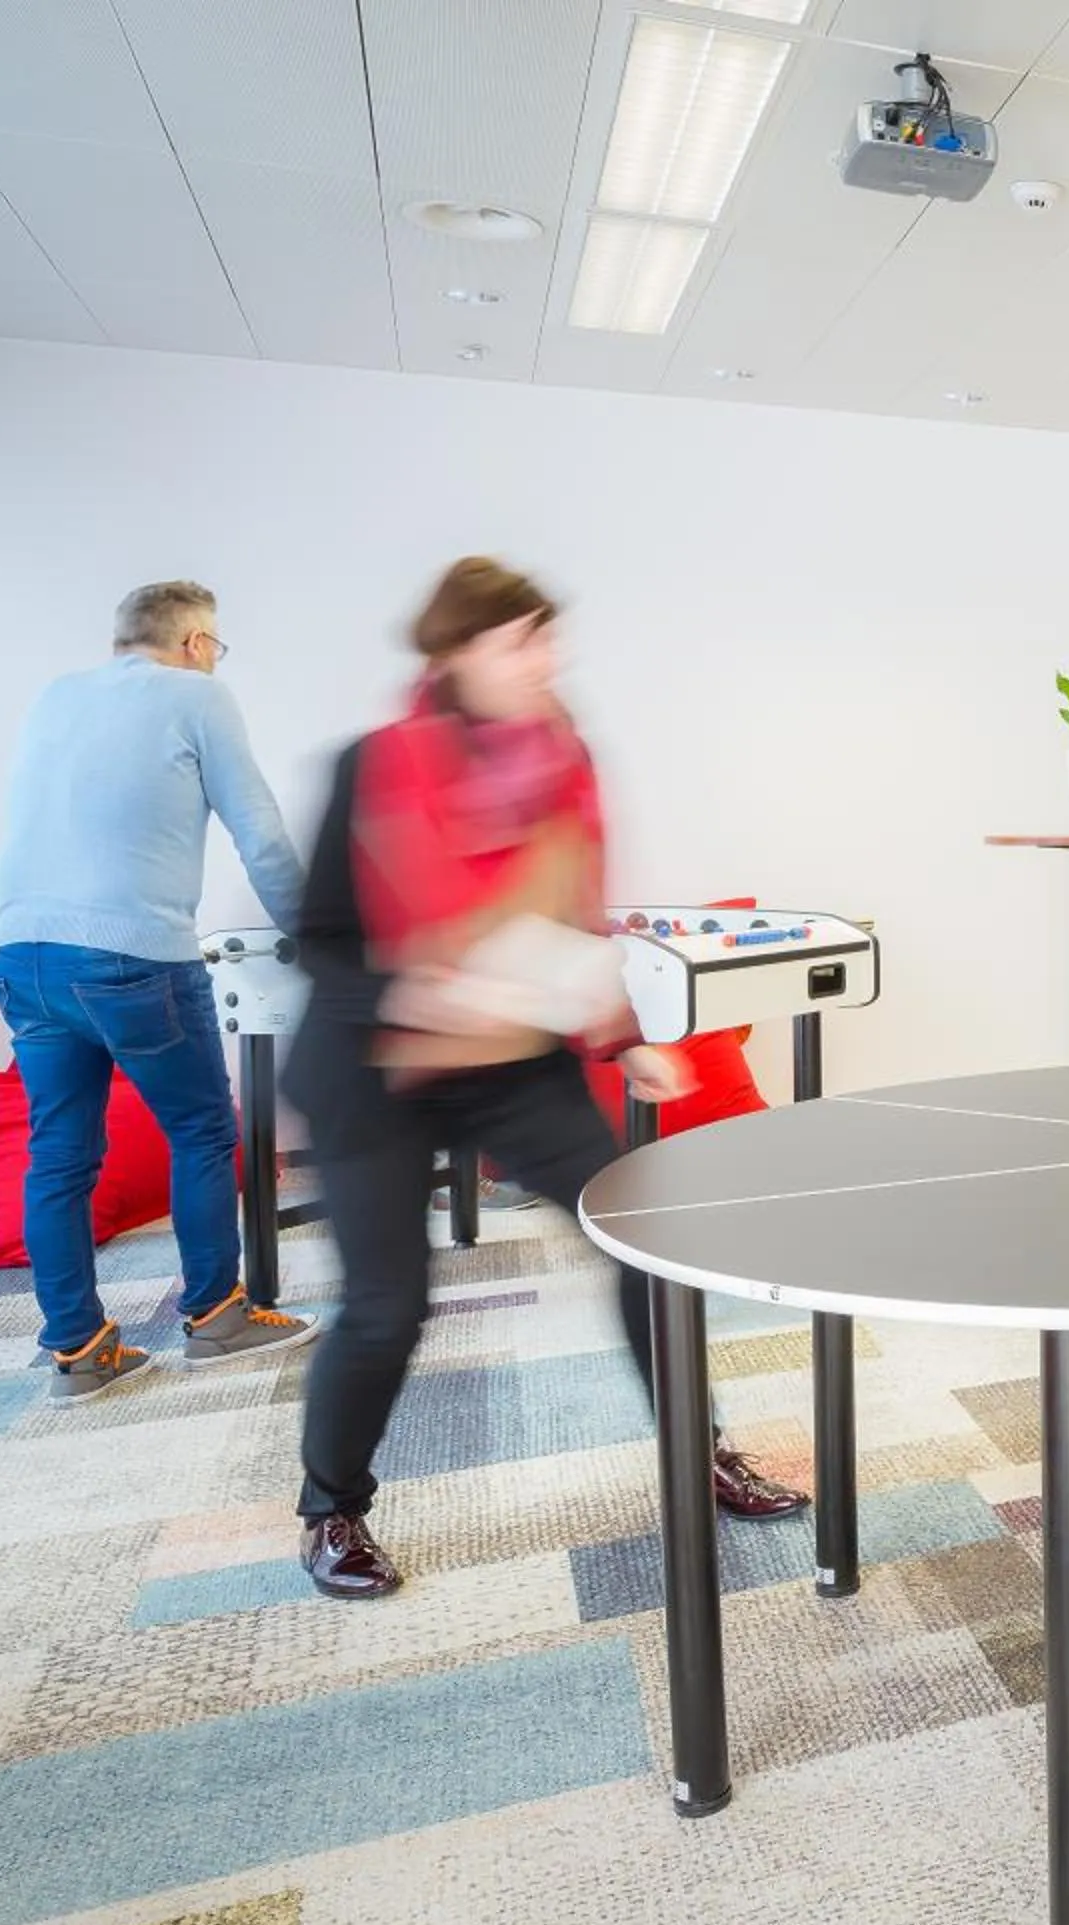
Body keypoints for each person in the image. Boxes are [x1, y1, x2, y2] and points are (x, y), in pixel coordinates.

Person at [285, 558, 805, 1599]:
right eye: (523, 638)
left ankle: (698, 1450)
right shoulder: (373, 766)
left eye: (547, 638)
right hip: (373, 1066)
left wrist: (622, 1037)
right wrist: (415, 996)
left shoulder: (561, 760)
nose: (547, 658)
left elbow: (565, 928)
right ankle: (330, 1507)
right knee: (390, 1306)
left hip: (512, 1061)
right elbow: (321, 943)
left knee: (646, 1245)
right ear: (458, 651)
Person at [0, 581, 319, 1400]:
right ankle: (217, 1317)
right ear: (197, 643)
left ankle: (78, 1350)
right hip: (129, 957)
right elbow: (261, 833)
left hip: (21, 954)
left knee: (59, 1156)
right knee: (205, 1131)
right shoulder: (199, 694)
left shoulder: (55, 696)